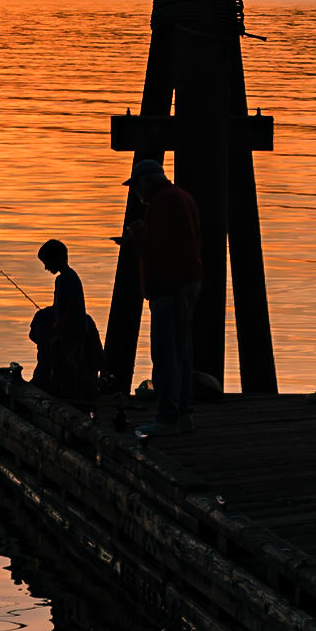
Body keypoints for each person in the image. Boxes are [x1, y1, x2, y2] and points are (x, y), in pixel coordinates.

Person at [123, 158, 203, 437]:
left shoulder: (164, 202)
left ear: (147, 181)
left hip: (170, 286)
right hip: (186, 282)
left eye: (136, 186)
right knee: (181, 352)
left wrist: (136, 234)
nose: (136, 193)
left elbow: (154, 245)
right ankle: (183, 414)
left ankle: (167, 418)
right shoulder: (182, 197)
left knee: (166, 353)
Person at [34, 239, 102, 405]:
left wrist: (59, 325)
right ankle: (76, 393)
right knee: (74, 362)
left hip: (72, 330)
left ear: (56, 259)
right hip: (74, 329)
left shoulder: (66, 278)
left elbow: (71, 305)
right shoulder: (68, 277)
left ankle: (73, 395)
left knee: (67, 363)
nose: (46, 267)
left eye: (47, 262)